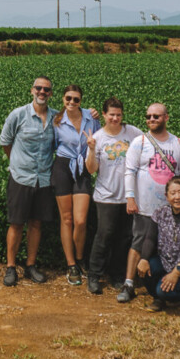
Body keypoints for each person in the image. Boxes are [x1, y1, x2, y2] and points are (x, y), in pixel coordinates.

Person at [116, 102, 180, 304]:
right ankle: (129, 283)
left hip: (171, 209)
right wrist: (130, 198)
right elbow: (129, 170)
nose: (151, 120)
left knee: (169, 247)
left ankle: (163, 285)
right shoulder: (139, 142)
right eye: (148, 116)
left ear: (166, 117)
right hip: (144, 206)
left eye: (156, 116)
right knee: (138, 242)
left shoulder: (178, 144)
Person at [0, 76, 59, 286]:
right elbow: (5, 142)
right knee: (16, 223)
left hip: (43, 178)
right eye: (38, 88)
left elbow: (78, 119)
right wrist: (16, 163)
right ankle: (10, 267)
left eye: (46, 89)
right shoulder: (19, 114)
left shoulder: (56, 118)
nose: (42, 92)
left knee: (36, 223)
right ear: (32, 90)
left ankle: (31, 266)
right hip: (21, 177)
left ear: (51, 94)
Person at [83, 97, 141, 294]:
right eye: (111, 115)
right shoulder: (97, 137)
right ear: (105, 115)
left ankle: (116, 274)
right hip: (106, 195)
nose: (115, 118)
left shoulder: (133, 133)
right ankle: (94, 275)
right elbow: (91, 169)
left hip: (129, 196)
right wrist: (91, 149)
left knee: (124, 237)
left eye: (118, 115)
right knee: (104, 235)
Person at [133, 176, 180, 310]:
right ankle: (158, 300)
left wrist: (176, 273)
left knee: (164, 291)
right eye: (173, 193)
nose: (177, 197)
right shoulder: (160, 213)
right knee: (146, 266)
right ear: (167, 196)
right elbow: (150, 239)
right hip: (166, 263)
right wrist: (144, 258)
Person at [53, 84, 100, 285]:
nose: (71, 102)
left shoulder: (92, 118)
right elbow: (52, 146)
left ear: (81, 101)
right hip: (62, 167)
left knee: (81, 220)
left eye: (76, 99)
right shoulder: (56, 121)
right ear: (63, 99)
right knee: (67, 219)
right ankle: (71, 264)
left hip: (82, 167)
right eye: (68, 98)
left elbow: (98, 141)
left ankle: (80, 258)